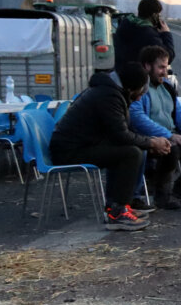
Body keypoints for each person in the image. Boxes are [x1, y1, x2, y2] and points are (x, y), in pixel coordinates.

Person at [50, 62, 170, 230]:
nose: (139, 98)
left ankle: (118, 206)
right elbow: (121, 135)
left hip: (79, 146)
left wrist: (148, 142)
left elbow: (122, 133)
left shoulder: (109, 91)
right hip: (68, 152)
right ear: (131, 87)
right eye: (140, 92)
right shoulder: (108, 96)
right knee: (131, 154)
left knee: (131, 151)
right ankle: (118, 212)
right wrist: (151, 142)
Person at [130, 45, 181, 208]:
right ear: (147, 66)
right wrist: (168, 135)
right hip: (150, 139)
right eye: (161, 67)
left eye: (166, 67)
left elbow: (180, 113)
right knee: (171, 149)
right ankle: (162, 195)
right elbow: (137, 118)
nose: (165, 72)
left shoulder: (167, 87)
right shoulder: (139, 88)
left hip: (173, 134)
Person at [114, 0, 175, 68]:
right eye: (159, 15)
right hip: (138, 73)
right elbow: (167, 57)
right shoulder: (149, 35)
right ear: (154, 15)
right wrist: (166, 33)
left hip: (120, 70)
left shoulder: (125, 25)